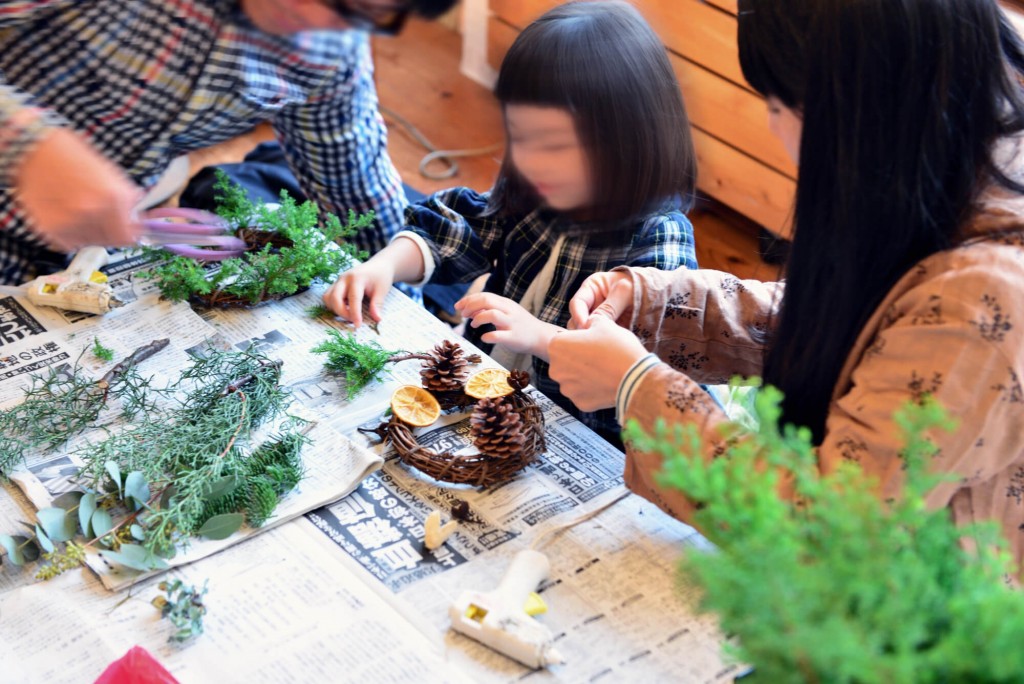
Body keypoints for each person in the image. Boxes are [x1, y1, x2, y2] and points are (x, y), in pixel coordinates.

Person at [549, 0, 1024, 571]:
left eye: (779, 104)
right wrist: (656, 304)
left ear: (855, 109)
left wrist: (637, 390)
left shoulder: (980, 301)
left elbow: (823, 535)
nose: (772, 126)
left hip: (920, 630)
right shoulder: (948, 161)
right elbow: (859, 323)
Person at [323, 0, 699, 445]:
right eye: (520, 137)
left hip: (577, 435)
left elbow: (643, 367)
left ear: (631, 141)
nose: (530, 161)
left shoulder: (660, 239)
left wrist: (541, 338)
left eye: (555, 145)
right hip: (489, 401)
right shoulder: (538, 190)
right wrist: (384, 265)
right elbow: (461, 227)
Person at [0, 0, 457, 284]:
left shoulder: (330, 51)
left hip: (73, 251)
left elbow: (360, 197)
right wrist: (29, 145)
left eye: (359, 10)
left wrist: (393, 287)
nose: (312, 18)